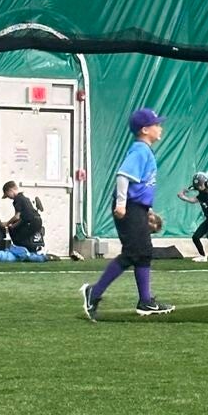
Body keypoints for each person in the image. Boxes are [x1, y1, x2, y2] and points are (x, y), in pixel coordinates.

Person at [80, 108, 175, 320]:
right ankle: (94, 293)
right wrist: (122, 204)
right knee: (134, 252)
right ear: (145, 129)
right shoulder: (140, 150)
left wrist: (147, 210)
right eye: (156, 124)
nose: (160, 128)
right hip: (129, 206)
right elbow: (123, 176)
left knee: (143, 252)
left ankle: (145, 301)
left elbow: (141, 184)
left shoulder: (145, 150)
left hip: (137, 207)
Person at [177, 171, 208, 263]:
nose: (200, 187)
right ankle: (202, 256)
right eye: (199, 185)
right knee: (195, 237)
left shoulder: (207, 193)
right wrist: (182, 196)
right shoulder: (201, 193)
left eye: (201, 185)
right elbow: (193, 200)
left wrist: (183, 195)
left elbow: (206, 191)